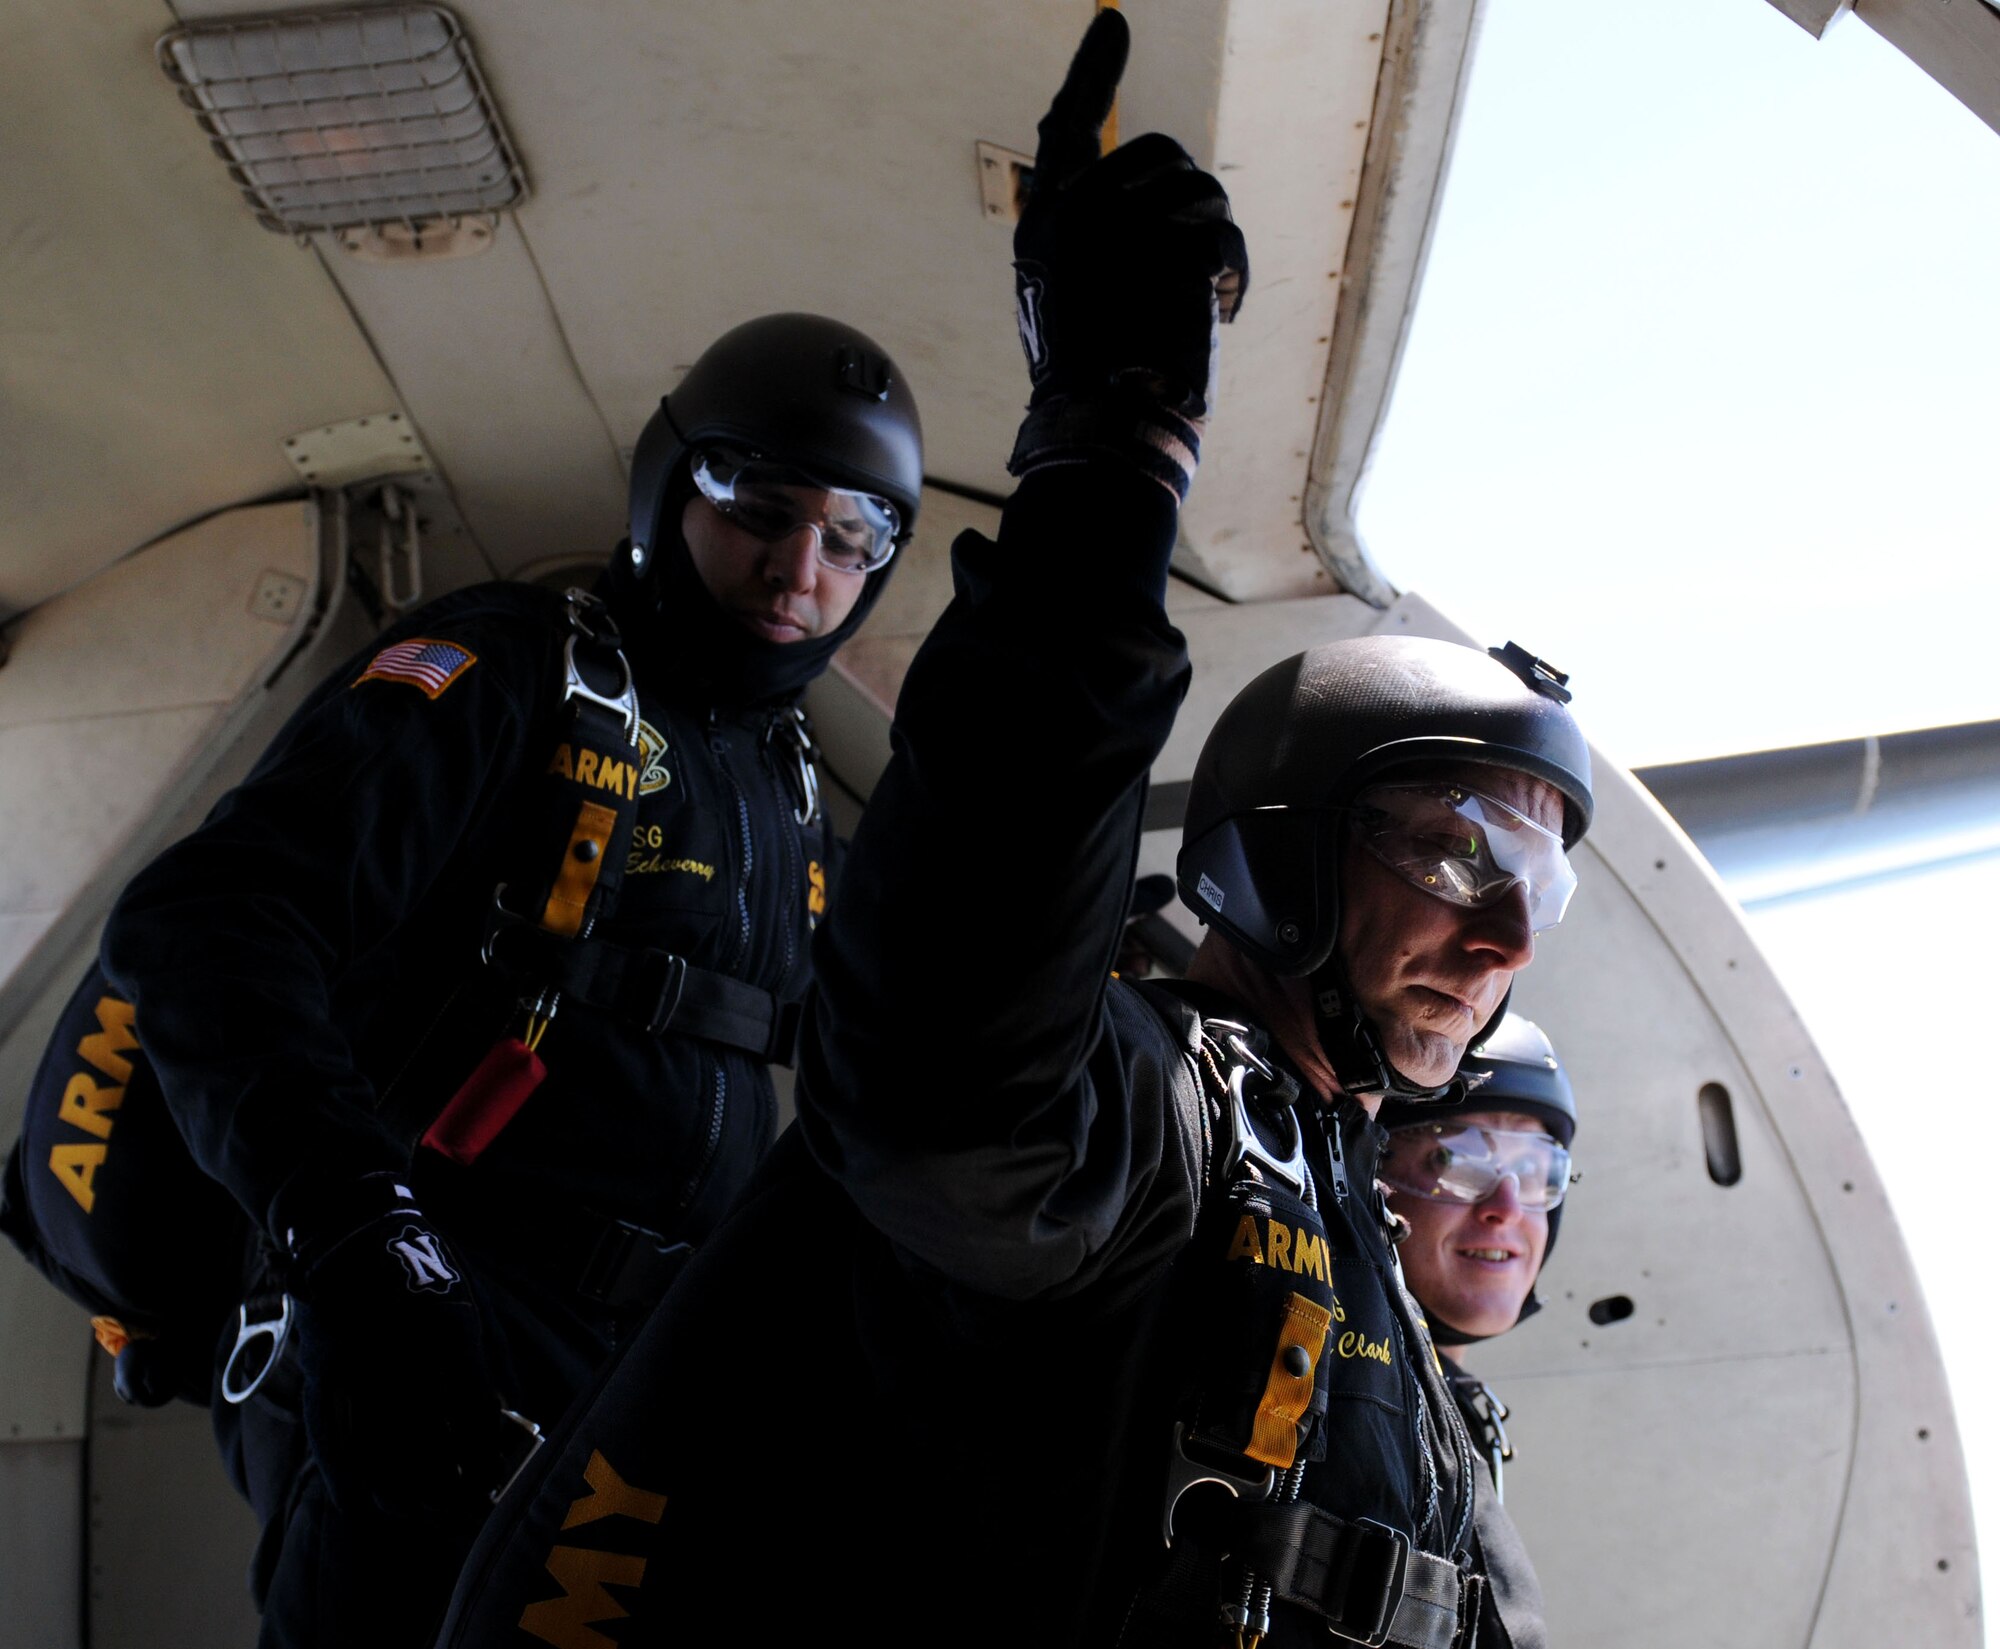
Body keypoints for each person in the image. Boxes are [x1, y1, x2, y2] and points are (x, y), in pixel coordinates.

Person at [432, 15, 1592, 1649]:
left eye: (1541, 875)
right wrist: (1114, 457)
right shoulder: (1154, 1130)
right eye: (1461, 852)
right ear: (1280, 851)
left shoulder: (1348, 1225)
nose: (1509, 933)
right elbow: (940, 1072)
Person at [93, 311, 921, 1646]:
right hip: (435, 1343)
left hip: (649, 1394)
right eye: (760, 509)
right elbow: (208, 924)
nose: (795, 571)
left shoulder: (789, 787)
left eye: (849, 539)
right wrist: (363, 1248)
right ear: (667, 488)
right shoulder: (513, 668)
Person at [1378, 1014, 1581, 1649]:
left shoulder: (1445, 1408)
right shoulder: (1356, 1394)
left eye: (1536, 1170)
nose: (1507, 1207)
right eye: (1458, 1160)